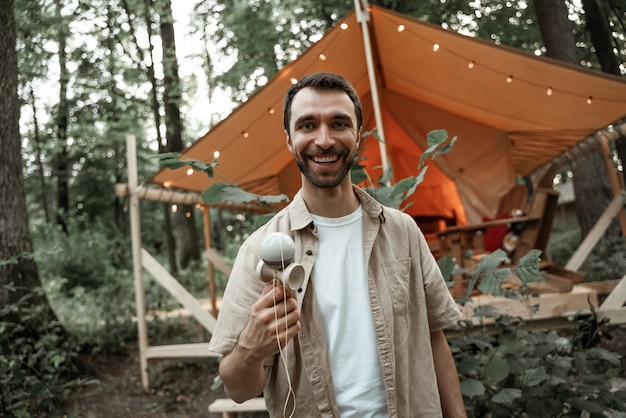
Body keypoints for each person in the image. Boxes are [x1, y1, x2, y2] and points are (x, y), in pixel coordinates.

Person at [208, 72, 467, 417]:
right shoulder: (261, 251)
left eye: (339, 123)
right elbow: (238, 390)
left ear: (357, 135)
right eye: (308, 126)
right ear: (289, 140)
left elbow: (435, 340)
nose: (325, 140)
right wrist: (250, 350)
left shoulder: (402, 232)